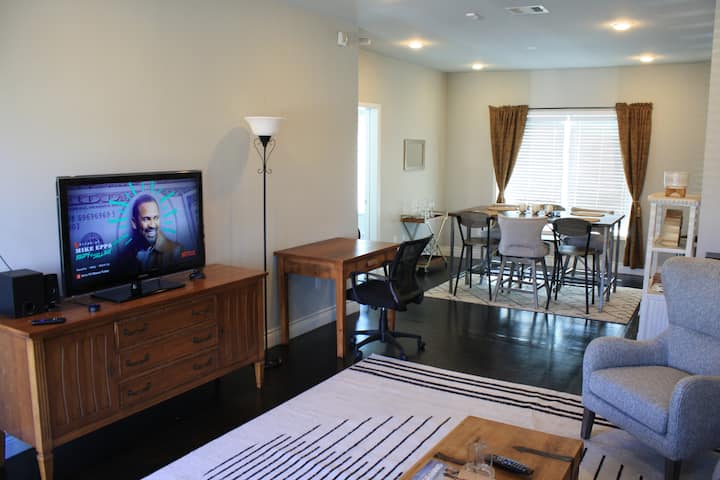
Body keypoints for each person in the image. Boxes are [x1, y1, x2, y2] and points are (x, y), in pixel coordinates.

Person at [121, 194, 182, 273]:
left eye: (156, 218)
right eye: (146, 219)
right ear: (134, 223)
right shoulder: (126, 256)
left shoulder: (176, 251)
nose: (152, 225)